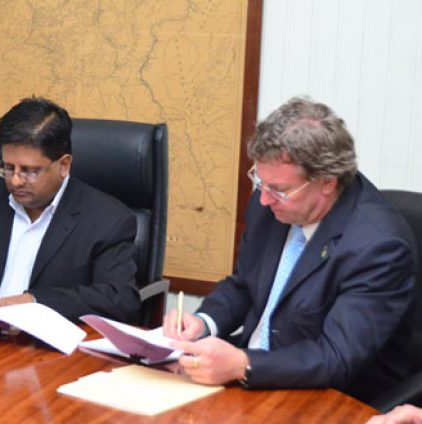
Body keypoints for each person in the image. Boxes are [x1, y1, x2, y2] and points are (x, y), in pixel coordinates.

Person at [163, 97, 416, 404]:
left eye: (279, 190)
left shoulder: (379, 246)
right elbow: (245, 284)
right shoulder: (271, 205)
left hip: (328, 398)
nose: (264, 200)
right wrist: (204, 322)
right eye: (260, 182)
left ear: (326, 182)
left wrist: (243, 364)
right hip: (249, 380)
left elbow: (335, 356)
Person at [0, 96, 140, 322]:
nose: (15, 181)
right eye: (8, 167)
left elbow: (118, 298)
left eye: (29, 171)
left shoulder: (108, 219)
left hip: (50, 349)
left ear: (64, 165)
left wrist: (35, 302)